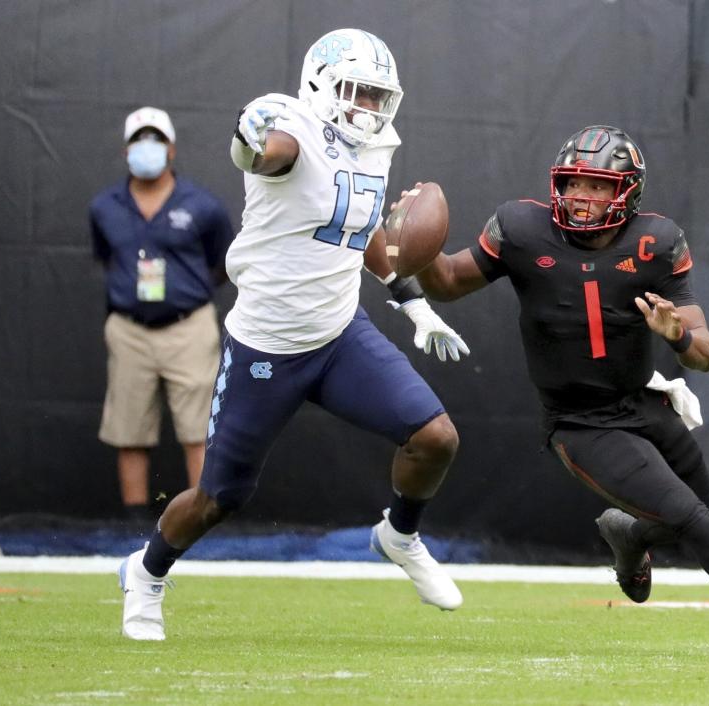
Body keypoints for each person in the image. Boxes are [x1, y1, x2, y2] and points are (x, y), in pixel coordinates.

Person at [412, 125, 709, 660]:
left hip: (642, 402)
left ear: (626, 190)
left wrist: (679, 335)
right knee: (695, 524)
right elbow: (446, 281)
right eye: (574, 183)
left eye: (598, 186)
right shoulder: (520, 227)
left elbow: (705, 354)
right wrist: (416, 242)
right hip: (582, 423)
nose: (582, 197)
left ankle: (631, 537)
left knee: (707, 524)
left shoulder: (657, 242)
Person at [118, 29, 470, 641]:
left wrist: (412, 304)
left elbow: (359, 233)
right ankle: (146, 574)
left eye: (377, 95)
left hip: (339, 334)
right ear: (320, 85)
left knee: (435, 438)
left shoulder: (377, 144)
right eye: (356, 92)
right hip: (268, 346)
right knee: (218, 498)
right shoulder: (293, 122)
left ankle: (400, 535)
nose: (368, 106)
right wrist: (247, 141)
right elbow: (265, 153)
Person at [91, 106, 234, 524]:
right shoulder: (104, 207)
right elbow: (106, 258)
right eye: (138, 140)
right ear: (126, 151)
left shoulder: (203, 205)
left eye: (155, 140)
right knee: (129, 429)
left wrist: (186, 293)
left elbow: (223, 260)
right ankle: (134, 525)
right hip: (129, 330)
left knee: (197, 430)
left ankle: (197, 522)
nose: (146, 148)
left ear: (171, 150)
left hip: (188, 327)